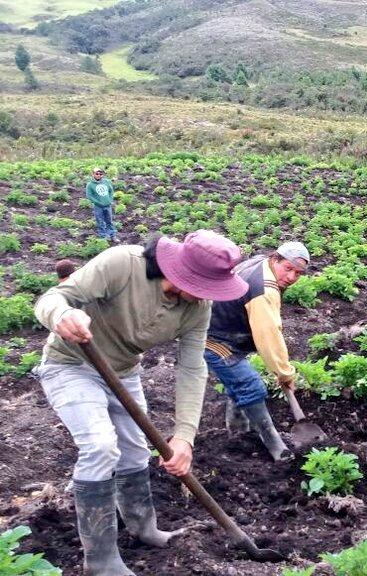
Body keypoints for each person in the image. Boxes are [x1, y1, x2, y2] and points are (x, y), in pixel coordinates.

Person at [33, 230, 247, 576]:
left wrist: (185, 436)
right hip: (71, 364)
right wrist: (61, 316)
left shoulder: (198, 307)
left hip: (123, 372)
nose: (210, 296)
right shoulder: (123, 264)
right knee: (101, 447)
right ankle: (100, 560)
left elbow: (192, 368)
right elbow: (54, 297)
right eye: (206, 286)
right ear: (183, 274)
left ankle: (143, 528)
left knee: (135, 450)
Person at [204, 242, 310, 462]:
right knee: (251, 386)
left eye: (298, 273)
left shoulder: (260, 263)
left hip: (222, 330)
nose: (291, 277)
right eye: (288, 268)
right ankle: (275, 446)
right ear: (275, 259)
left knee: (239, 383)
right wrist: (284, 373)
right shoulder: (264, 290)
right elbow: (269, 335)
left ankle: (238, 433)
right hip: (212, 338)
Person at [86, 167, 117, 242]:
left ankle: (112, 236)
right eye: (97, 173)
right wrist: (97, 202)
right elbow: (89, 196)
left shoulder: (106, 182)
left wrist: (110, 200)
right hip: (98, 206)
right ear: (93, 174)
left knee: (109, 221)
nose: (99, 175)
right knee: (100, 222)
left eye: (100, 174)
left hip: (108, 205)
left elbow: (111, 191)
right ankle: (103, 237)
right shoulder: (90, 185)